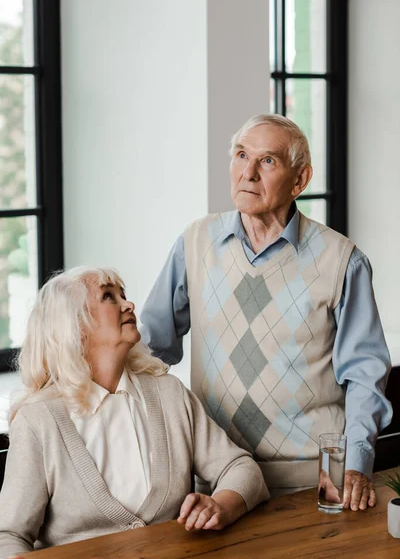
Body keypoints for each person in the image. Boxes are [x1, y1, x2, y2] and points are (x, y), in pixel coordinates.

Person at [141, 113, 393, 509]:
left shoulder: (342, 260)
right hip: (218, 480)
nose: (248, 173)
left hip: (313, 483)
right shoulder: (195, 243)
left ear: (300, 179)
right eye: (241, 156)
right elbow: (152, 351)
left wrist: (356, 463)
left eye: (268, 161)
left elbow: (364, 375)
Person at [0, 267, 268, 558]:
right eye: (108, 296)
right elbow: (10, 535)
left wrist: (221, 506)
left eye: (123, 295)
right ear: (75, 326)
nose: (129, 304)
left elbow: (242, 468)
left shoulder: (169, 394)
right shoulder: (38, 421)